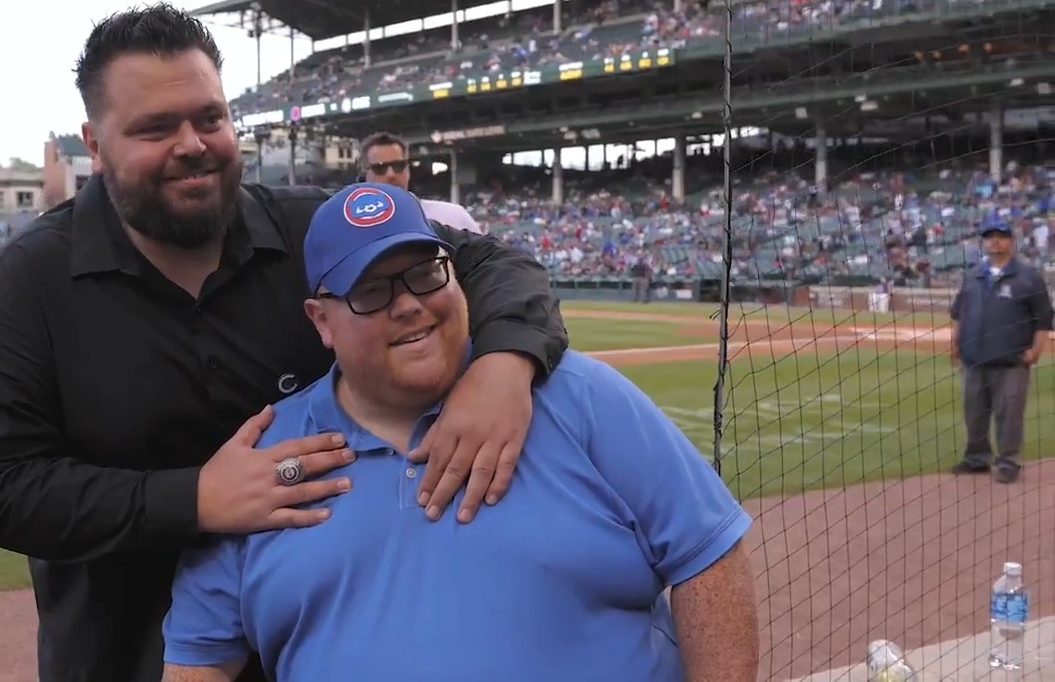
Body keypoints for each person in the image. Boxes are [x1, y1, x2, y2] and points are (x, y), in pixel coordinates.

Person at [0, 4, 569, 682]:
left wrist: (503, 367)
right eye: (156, 127)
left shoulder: (311, 234)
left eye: (209, 118)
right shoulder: (28, 283)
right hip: (128, 661)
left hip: (331, 655)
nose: (192, 143)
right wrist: (194, 498)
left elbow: (496, 266)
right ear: (93, 144)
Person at [160, 182, 760, 682]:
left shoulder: (579, 395)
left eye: (425, 273)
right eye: (371, 290)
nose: (409, 304)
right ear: (321, 321)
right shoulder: (268, 463)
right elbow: (198, 658)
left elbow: (707, 556)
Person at [949, 217, 1053, 483]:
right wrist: (955, 344)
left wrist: (1036, 350)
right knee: (974, 414)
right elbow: (959, 313)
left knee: (1009, 416)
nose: (995, 240)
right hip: (974, 358)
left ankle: (1007, 464)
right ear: (983, 241)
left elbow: (1043, 319)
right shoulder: (972, 275)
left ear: (1011, 240)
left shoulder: (1028, 277)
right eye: (989, 236)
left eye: (1001, 235)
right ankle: (977, 459)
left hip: (1011, 361)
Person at [359, 130, 482, 232]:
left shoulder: (454, 216)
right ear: (365, 174)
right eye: (380, 168)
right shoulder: (352, 228)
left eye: (398, 166)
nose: (391, 174)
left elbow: (490, 258)